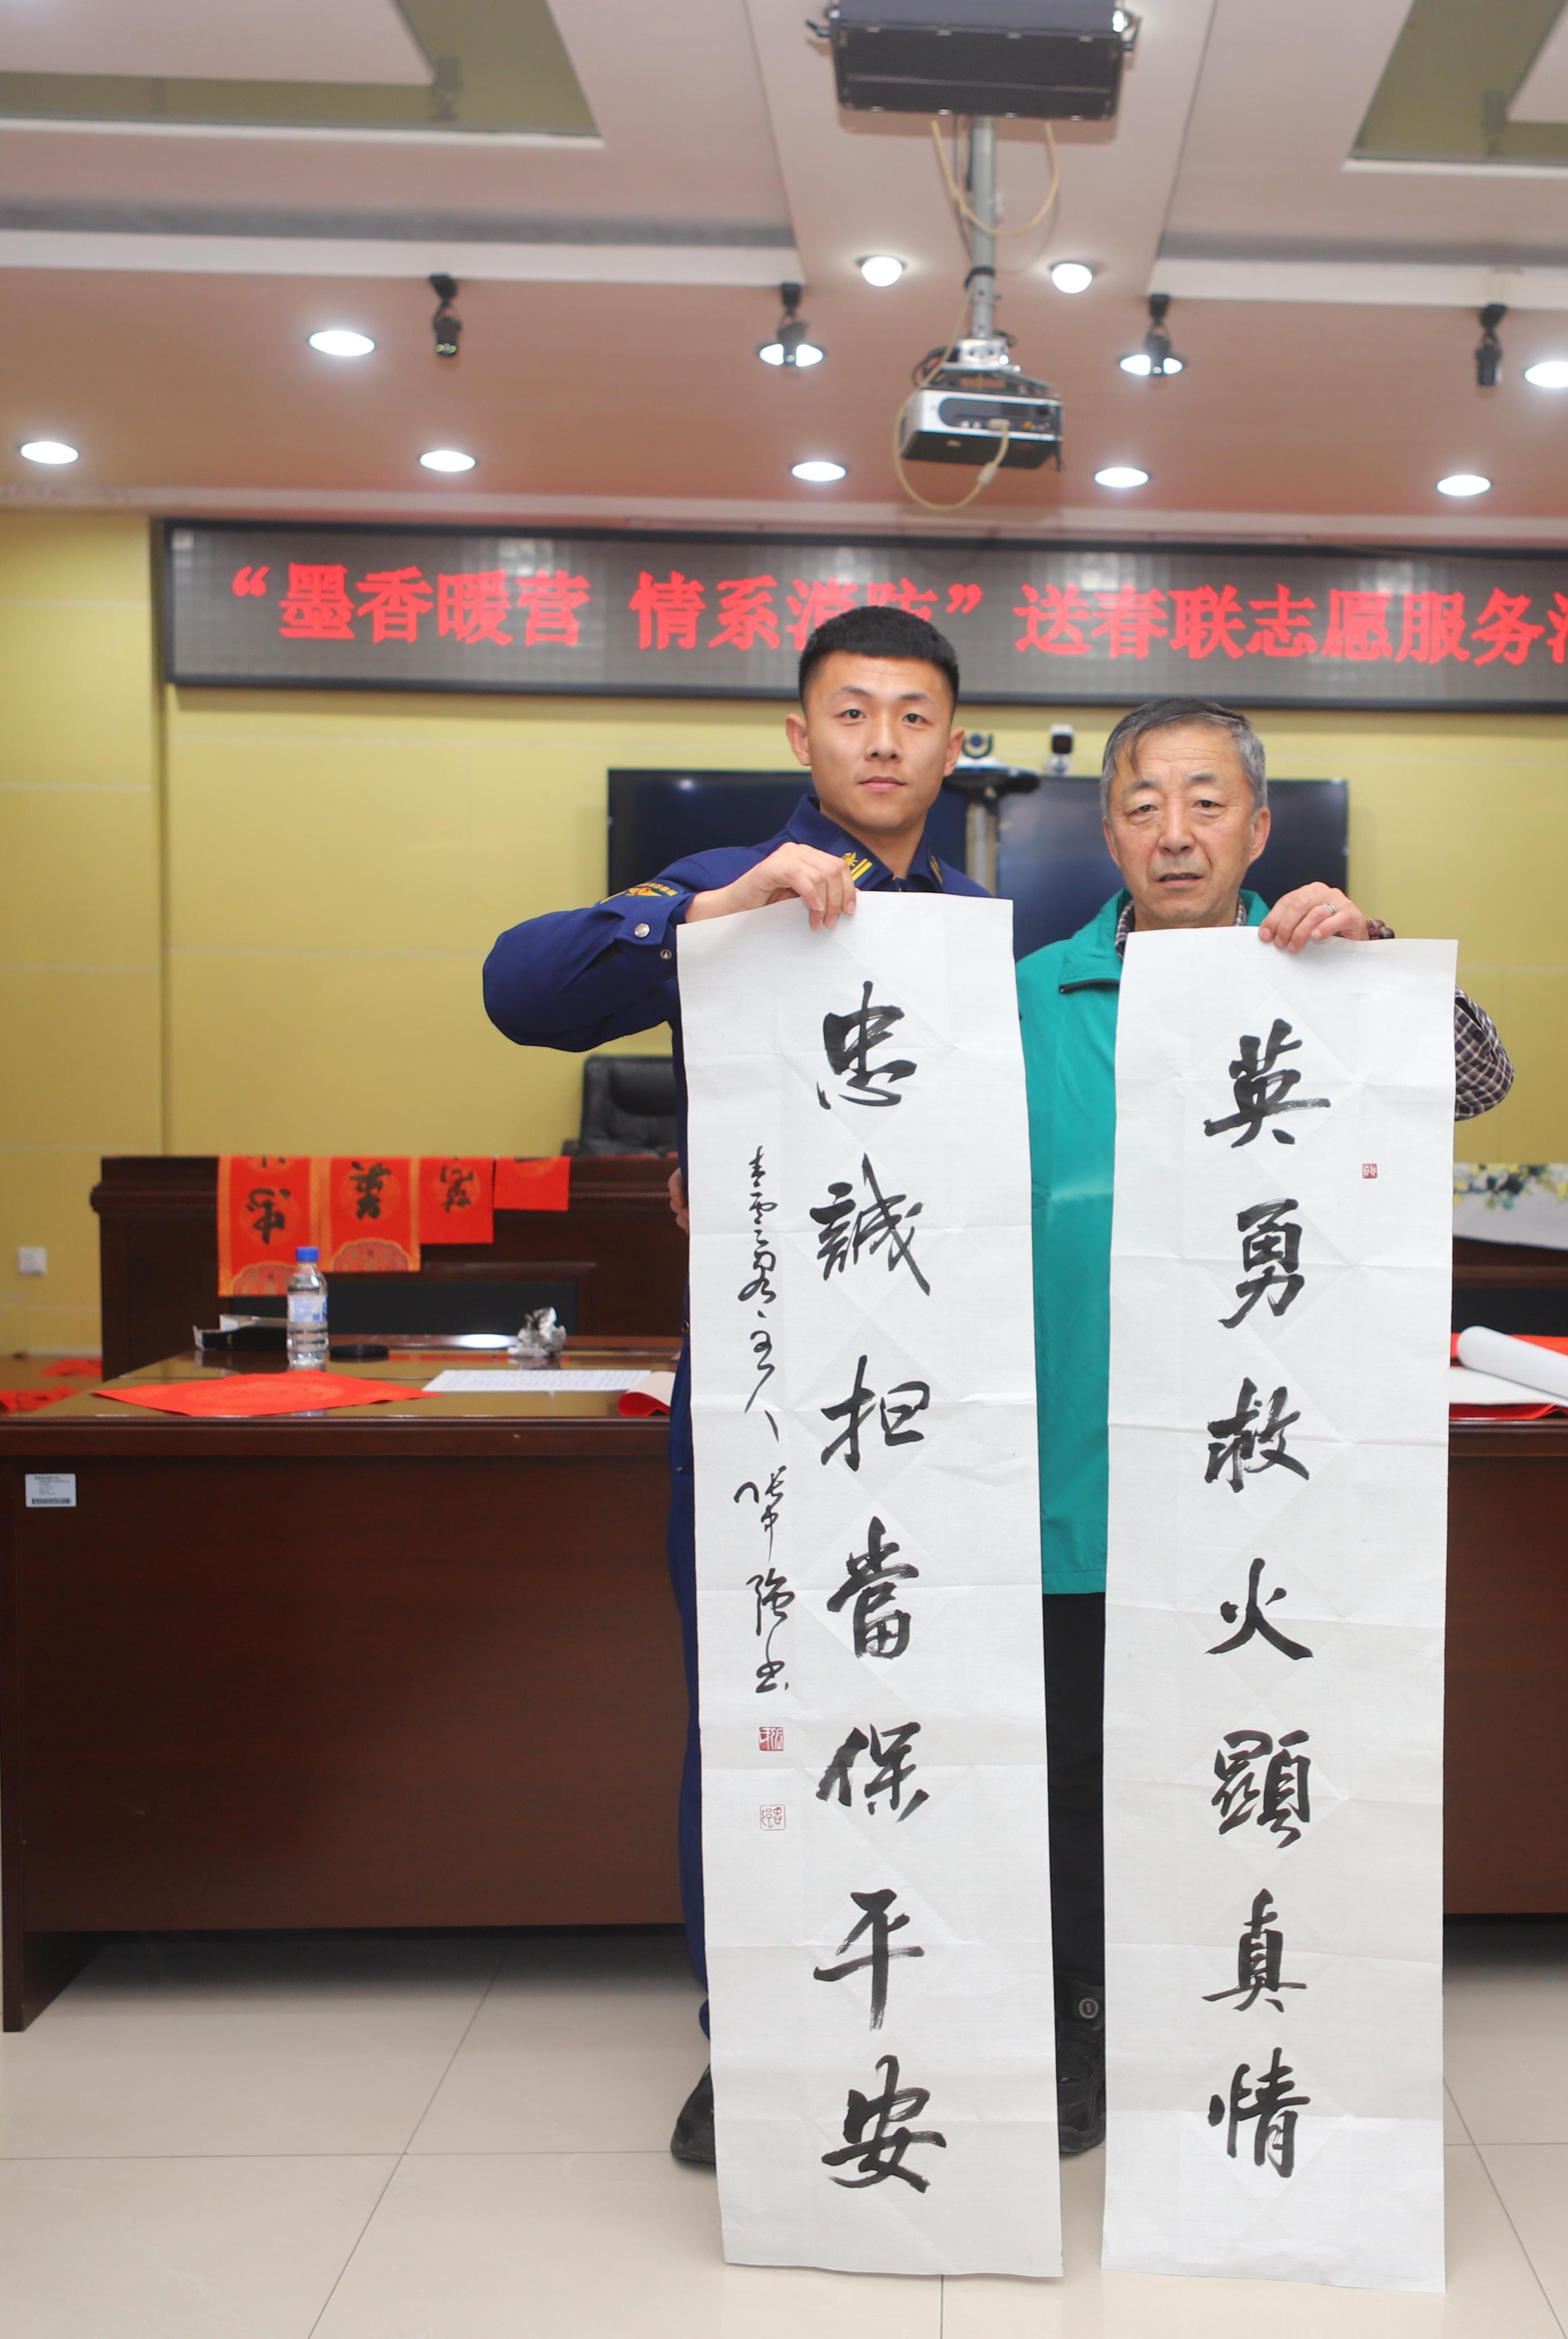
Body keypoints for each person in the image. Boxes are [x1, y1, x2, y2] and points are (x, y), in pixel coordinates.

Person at [478, 602, 987, 2171]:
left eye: (914, 715)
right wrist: (709, 917)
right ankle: (750, 2037)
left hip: (939, 1385)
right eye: (852, 712)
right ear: (798, 734)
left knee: (927, 1696)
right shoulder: (723, 884)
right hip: (767, 1381)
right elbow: (519, 990)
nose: (883, 742)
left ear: (952, 746)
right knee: (758, 1697)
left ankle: (912, 2003)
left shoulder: (978, 927)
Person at [1016, 696, 1513, 2155]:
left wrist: (1374, 960)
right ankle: (1079, 2024)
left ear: (1257, 826)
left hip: (1267, 1478)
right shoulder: (1028, 995)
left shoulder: (1327, 969)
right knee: (1074, 1775)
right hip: (1076, 1467)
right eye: (1143, 804)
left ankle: (1234, 2025)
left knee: (1242, 1761)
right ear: (1107, 831)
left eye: (1205, 801)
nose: (1174, 832)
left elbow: (1479, 1080)